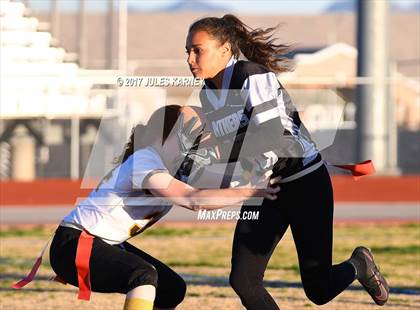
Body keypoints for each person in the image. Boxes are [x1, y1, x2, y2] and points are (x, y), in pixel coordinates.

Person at [184, 14, 389, 309]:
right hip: (267, 191)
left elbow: (268, 134)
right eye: (187, 52)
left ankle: (358, 264)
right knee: (243, 280)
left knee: (318, 291)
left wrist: (218, 154)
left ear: (225, 49)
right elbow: (235, 148)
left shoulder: (250, 75)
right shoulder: (207, 95)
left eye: (197, 50)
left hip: (305, 183)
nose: (190, 58)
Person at [47, 104, 281, 310]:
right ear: (163, 135)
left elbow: (224, 183)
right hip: (74, 245)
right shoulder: (145, 160)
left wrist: (257, 169)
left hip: (99, 242)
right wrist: (250, 190)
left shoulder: (174, 167)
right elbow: (194, 200)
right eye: (190, 133)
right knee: (142, 275)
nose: (197, 142)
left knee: (171, 289)